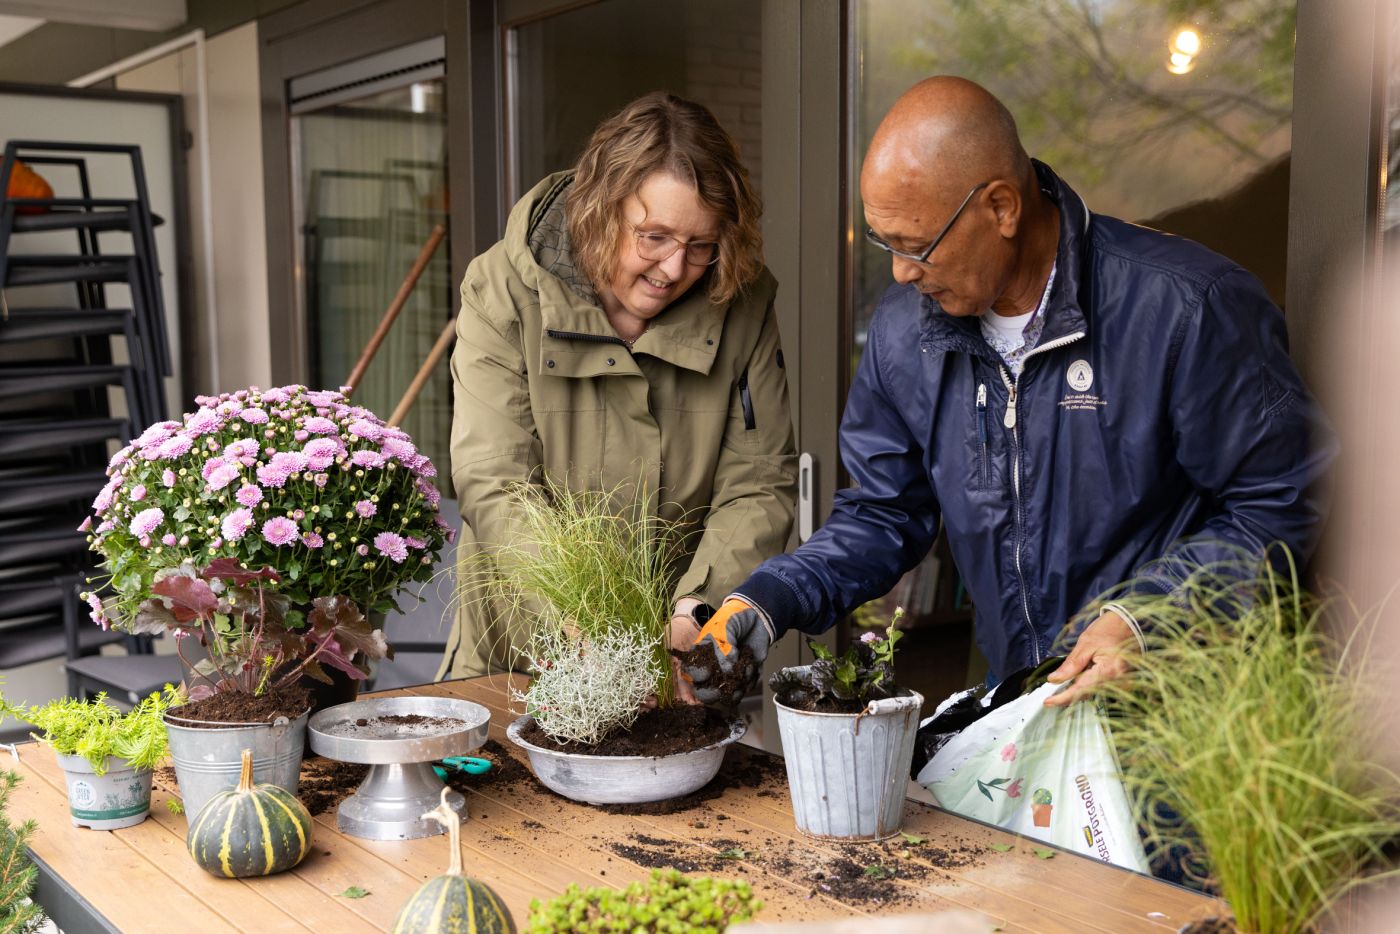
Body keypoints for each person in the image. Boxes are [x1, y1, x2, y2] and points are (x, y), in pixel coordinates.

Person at [679, 76, 1335, 707]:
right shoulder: (906, 335)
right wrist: (766, 600)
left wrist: (1145, 621)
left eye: (919, 246)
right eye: (886, 244)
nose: (902, 273)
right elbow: (884, 514)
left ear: (1002, 207)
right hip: (1022, 715)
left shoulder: (1188, 309)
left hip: (1178, 723)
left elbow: (1281, 500)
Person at [438, 92, 798, 679]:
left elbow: (760, 482)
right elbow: (494, 479)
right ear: (600, 208)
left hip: (669, 662)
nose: (674, 270)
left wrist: (698, 608)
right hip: (518, 657)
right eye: (654, 237)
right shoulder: (502, 289)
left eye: (702, 246)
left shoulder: (744, 303)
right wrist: (569, 612)